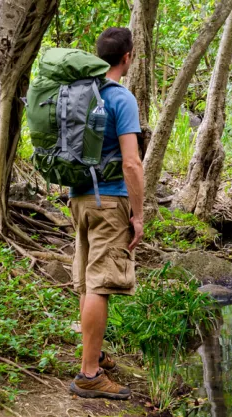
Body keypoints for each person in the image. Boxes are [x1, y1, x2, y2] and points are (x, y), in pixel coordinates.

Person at [68, 27, 144, 400]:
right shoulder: (120, 98)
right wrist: (139, 214)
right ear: (126, 57)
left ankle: (93, 356)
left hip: (78, 199)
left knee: (87, 281)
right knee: (100, 285)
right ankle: (89, 375)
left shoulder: (80, 94)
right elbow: (132, 163)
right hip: (110, 202)